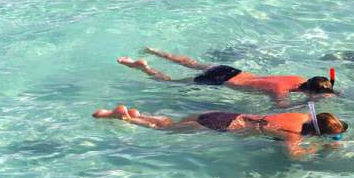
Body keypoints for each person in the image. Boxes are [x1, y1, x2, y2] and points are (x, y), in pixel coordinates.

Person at [92, 104, 348, 160]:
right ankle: (123, 118)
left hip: (227, 115)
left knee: (172, 123)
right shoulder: (293, 134)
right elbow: (293, 155)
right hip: (224, 126)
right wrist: (320, 148)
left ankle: (140, 114)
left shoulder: (301, 115)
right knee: (168, 132)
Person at [116, 47, 336, 106]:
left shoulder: (294, 77)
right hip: (222, 81)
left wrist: (321, 92)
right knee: (170, 83)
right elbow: (279, 108)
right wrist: (307, 102)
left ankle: (154, 52)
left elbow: (313, 88)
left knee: (190, 62)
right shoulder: (279, 92)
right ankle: (143, 68)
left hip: (231, 70)